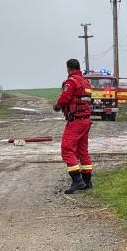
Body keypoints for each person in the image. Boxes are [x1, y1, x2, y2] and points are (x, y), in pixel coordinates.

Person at [53, 58, 93, 194]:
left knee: (67, 149)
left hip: (76, 120)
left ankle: (77, 181)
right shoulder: (86, 82)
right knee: (82, 151)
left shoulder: (72, 81)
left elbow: (64, 98)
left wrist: (57, 106)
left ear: (68, 69)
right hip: (86, 120)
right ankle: (87, 181)